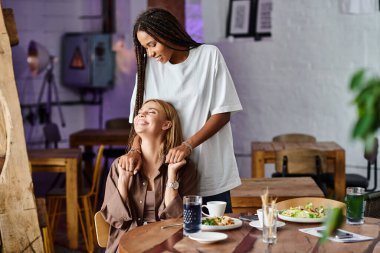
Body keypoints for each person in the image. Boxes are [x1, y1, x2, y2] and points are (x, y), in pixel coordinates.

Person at [118, 8, 242, 212]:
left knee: (219, 236)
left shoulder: (208, 56)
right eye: (144, 47)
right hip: (167, 176)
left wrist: (188, 146)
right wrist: (134, 150)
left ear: (167, 33)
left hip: (209, 167)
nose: (150, 53)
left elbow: (223, 113)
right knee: (173, 240)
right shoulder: (148, 67)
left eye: (152, 44)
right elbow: (138, 121)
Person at [101, 99, 198, 253]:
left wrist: (172, 176)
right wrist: (123, 180)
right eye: (139, 113)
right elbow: (114, 219)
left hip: (169, 248)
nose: (141, 115)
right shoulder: (119, 166)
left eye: (151, 112)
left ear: (166, 124)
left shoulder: (185, 168)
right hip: (126, 248)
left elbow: (181, 222)